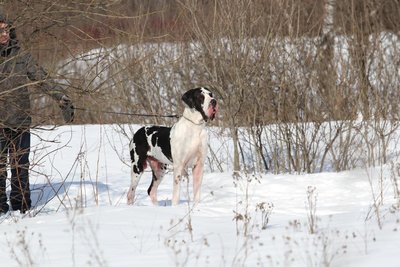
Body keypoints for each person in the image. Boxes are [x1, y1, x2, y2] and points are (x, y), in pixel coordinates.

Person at [0, 14, 74, 214]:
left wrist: (61, 98)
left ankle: (22, 206)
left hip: (20, 120)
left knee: (20, 168)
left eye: (7, 29)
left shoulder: (20, 56)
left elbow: (42, 78)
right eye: (0, 30)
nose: (4, 33)